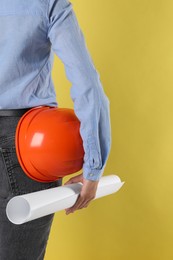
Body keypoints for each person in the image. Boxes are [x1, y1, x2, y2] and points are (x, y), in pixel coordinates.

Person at [0, 0, 111, 259]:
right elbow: (88, 86)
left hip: (29, 144)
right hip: (29, 148)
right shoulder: (48, 3)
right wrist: (93, 168)